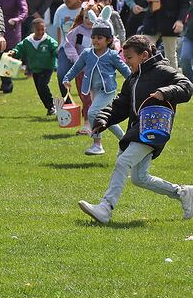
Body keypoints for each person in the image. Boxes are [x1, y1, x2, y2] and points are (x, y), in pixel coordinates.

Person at [78, 35, 193, 224]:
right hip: (137, 130)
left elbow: (187, 86)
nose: (126, 62)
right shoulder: (133, 78)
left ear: (144, 55)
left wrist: (166, 92)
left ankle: (105, 208)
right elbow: (121, 104)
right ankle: (183, 193)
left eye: (129, 57)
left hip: (153, 130)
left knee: (123, 162)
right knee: (139, 178)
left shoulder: (164, 71)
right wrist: (103, 118)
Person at [63, 6, 131, 156]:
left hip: (107, 91)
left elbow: (125, 70)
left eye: (99, 38)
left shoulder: (112, 55)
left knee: (93, 113)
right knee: (108, 119)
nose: (95, 40)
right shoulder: (87, 53)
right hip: (93, 90)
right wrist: (67, 78)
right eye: (93, 37)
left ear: (109, 40)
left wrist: (136, 80)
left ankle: (97, 144)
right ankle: (125, 140)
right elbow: (76, 67)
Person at [61, 3, 101, 134]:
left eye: (91, 17)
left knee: (97, 98)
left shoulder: (102, 30)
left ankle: (94, 123)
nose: (88, 20)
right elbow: (69, 45)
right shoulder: (78, 31)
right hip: (82, 72)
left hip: (99, 71)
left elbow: (113, 42)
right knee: (86, 98)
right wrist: (77, 60)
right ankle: (88, 124)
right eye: (85, 17)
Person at [8, 18, 58, 115]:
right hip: (35, 69)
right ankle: (49, 108)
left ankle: (52, 106)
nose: (40, 32)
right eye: (38, 30)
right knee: (39, 89)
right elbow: (19, 48)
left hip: (47, 68)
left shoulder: (49, 41)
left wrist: (58, 54)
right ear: (33, 30)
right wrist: (13, 52)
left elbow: (56, 49)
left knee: (42, 85)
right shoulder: (27, 42)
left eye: (42, 29)